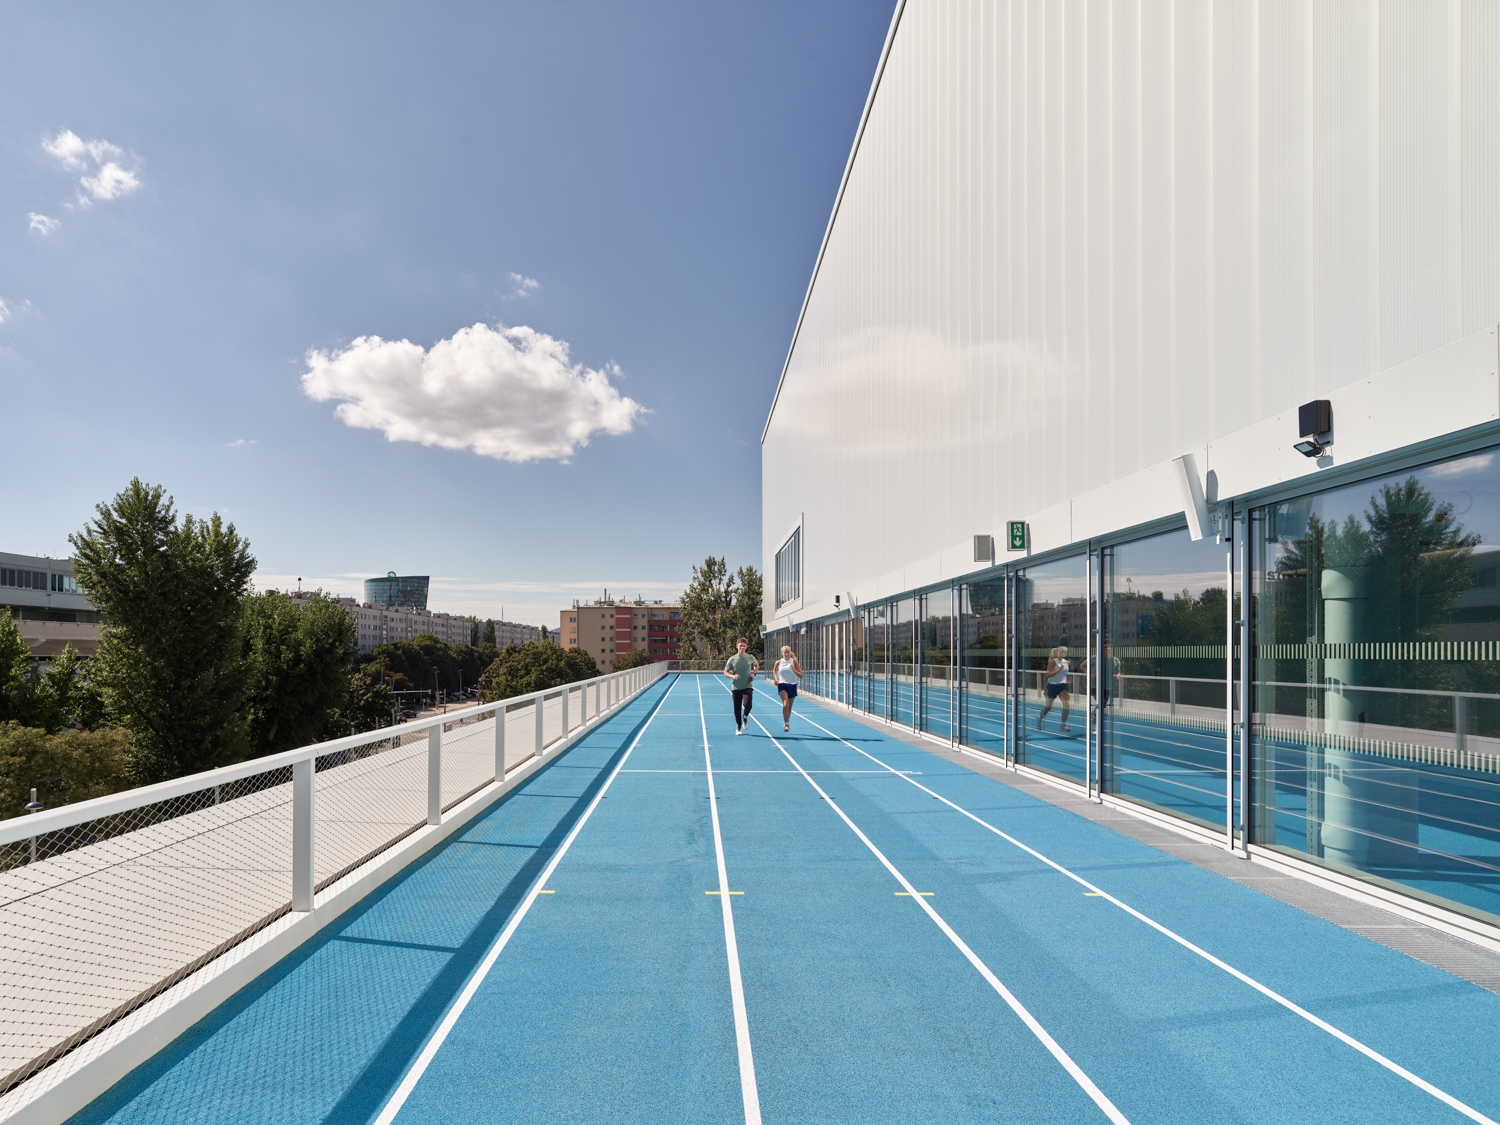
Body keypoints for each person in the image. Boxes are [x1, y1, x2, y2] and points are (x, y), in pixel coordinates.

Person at [723, 638, 760, 735]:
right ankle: (738, 726)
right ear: (737, 646)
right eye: (740, 645)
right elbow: (725, 672)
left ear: (746, 647)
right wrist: (733, 676)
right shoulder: (732, 659)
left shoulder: (750, 657)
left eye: (744, 646)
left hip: (747, 685)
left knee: (748, 704)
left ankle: (745, 716)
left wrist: (753, 674)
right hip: (736, 687)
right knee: (737, 709)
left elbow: (756, 665)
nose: (742, 647)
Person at [1036, 645, 1072, 733]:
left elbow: (1065, 673)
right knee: (1048, 707)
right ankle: (1039, 718)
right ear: (1057, 653)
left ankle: (1063, 724)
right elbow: (1047, 675)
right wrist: (1059, 670)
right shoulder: (1053, 661)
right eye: (1061, 652)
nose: (1062, 654)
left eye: (1064, 652)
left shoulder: (1066, 662)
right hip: (1052, 686)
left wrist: (1065, 679)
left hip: (1062, 686)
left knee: (1067, 705)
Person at [772, 645, 804, 732]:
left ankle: (787, 720)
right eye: (784, 652)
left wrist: (794, 670)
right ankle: (786, 724)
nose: (786, 654)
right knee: (785, 704)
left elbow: (801, 675)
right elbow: (774, 670)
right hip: (782, 685)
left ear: (790, 653)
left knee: (789, 708)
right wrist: (776, 679)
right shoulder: (778, 662)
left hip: (792, 685)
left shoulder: (793, 662)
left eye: (788, 652)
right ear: (782, 653)